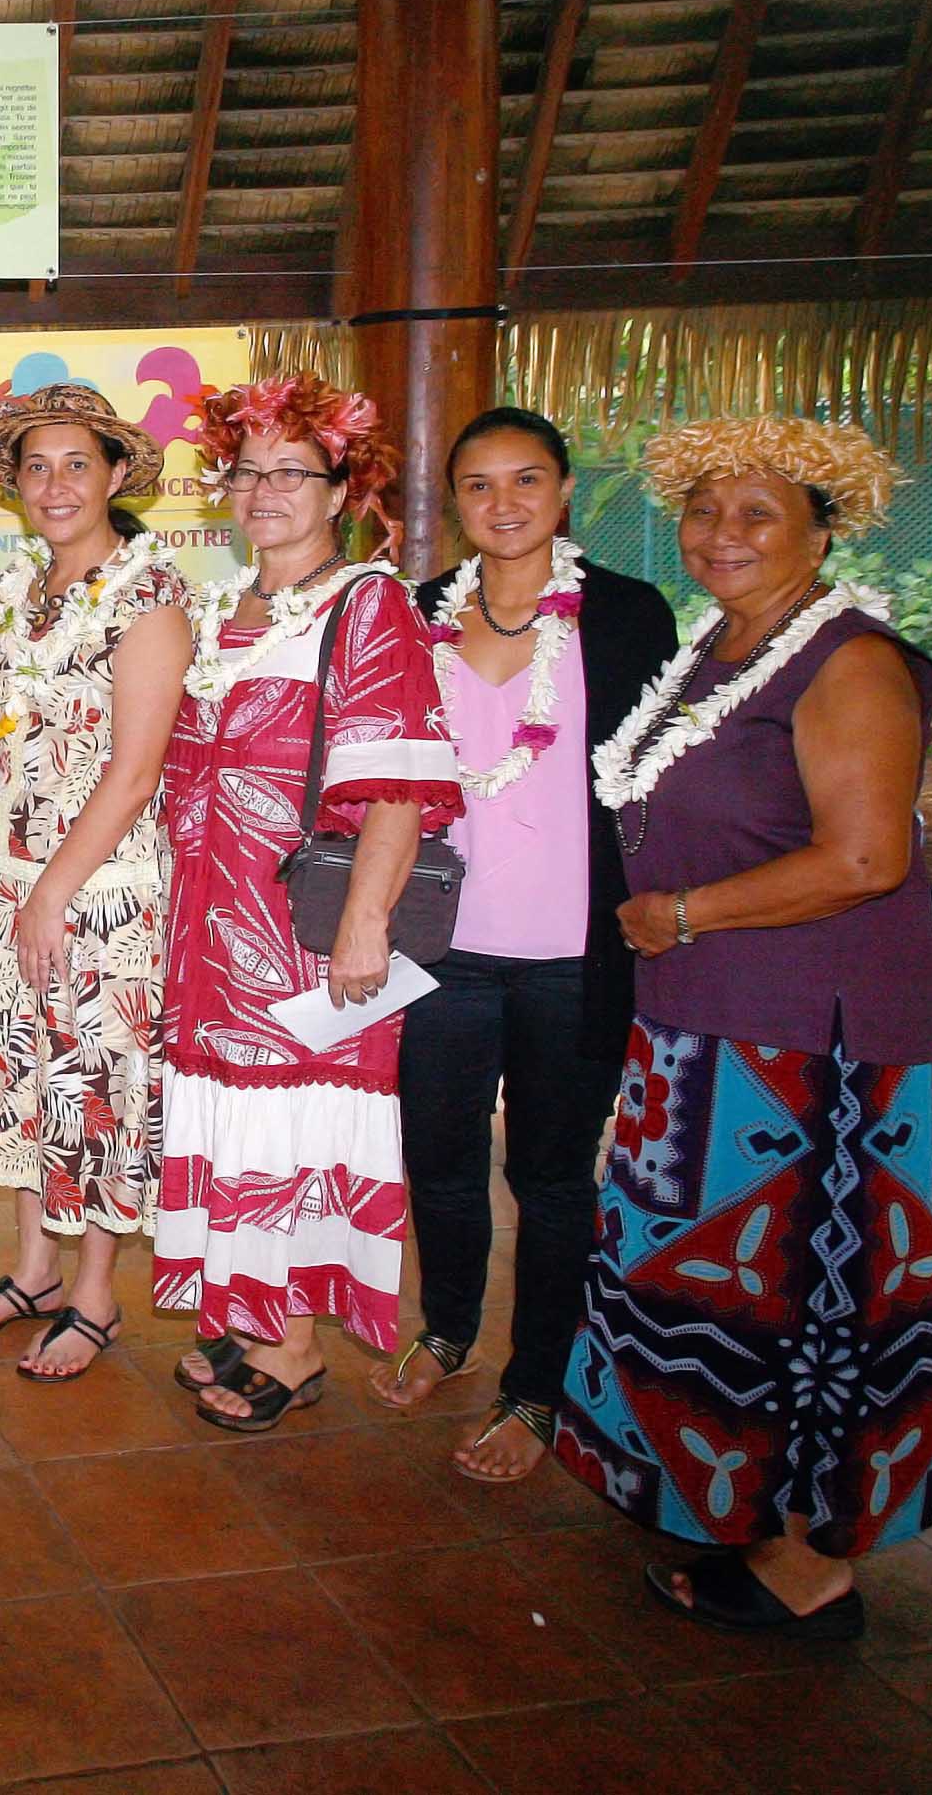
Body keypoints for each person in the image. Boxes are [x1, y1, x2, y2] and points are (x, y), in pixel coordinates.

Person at [557, 416, 932, 1639]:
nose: (722, 533)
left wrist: (685, 911)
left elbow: (867, 857)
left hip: (809, 1052)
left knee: (803, 1300)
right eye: (705, 509)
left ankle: (808, 1564)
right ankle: (726, 1499)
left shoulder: (850, 660)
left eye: (759, 512)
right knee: (707, 1288)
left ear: (825, 531)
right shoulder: (726, 650)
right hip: (705, 1024)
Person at [157, 372, 460, 1431]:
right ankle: (251, 1312)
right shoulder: (226, 609)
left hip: (302, 933)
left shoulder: (368, 603)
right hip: (207, 926)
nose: (264, 491)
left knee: (290, 1126)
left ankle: (289, 1346)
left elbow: (398, 781)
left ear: (341, 491)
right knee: (237, 1120)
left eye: (292, 472)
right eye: (247, 472)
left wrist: (366, 927)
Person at [384, 407, 678, 1482]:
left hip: (575, 953)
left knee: (551, 1175)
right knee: (439, 1158)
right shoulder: (421, 611)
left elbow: (664, 778)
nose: (503, 503)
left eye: (526, 480)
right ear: (454, 500)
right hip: (443, 947)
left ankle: (537, 1387)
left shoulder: (628, 614)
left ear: (563, 492)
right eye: (479, 484)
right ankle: (448, 1329)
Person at [0, 386, 192, 1379]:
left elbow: (134, 771)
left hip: (101, 893)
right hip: (9, 880)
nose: (55, 485)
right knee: (23, 1076)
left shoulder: (148, 596)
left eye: (77, 464)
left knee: (93, 1082)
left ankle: (94, 1294)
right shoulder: (22, 591)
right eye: (36, 467)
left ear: (117, 474)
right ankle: (35, 1269)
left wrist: (52, 892)